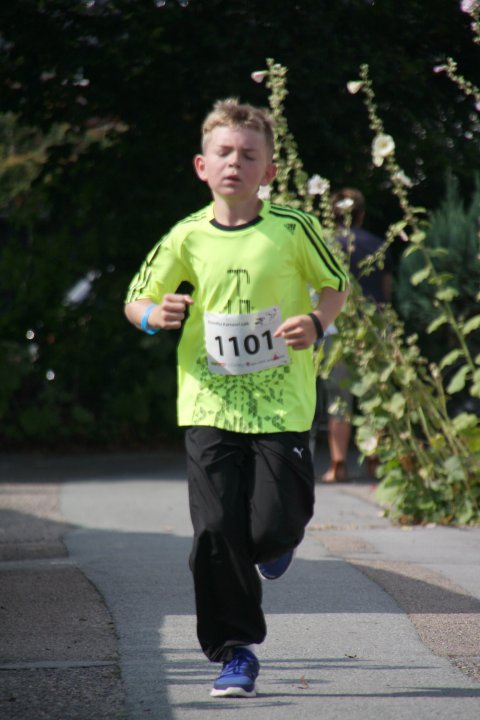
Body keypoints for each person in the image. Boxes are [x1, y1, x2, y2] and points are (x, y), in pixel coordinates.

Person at [124, 98, 349, 698]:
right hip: (209, 403)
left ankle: (277, 546)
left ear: (268, 171)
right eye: (223, 153)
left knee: (274, 527)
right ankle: (235, 650)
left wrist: (316, 322)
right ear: (202, 166)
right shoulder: (186, 236)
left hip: (280, 406)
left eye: (249, 155)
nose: (235, 163)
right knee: (215, 533)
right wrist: (153, 315)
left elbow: (336, 285)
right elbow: (136, 297)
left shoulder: (292, 228)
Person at [319, 187, 392, 483]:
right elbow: (386, 291)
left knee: (338, 396)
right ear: (360, 214)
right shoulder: (377, 244)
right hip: (374, 327)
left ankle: (338, 464)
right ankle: (374, 461)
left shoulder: (323, 244)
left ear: (332, 213)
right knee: (375, 393)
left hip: (336, 328)